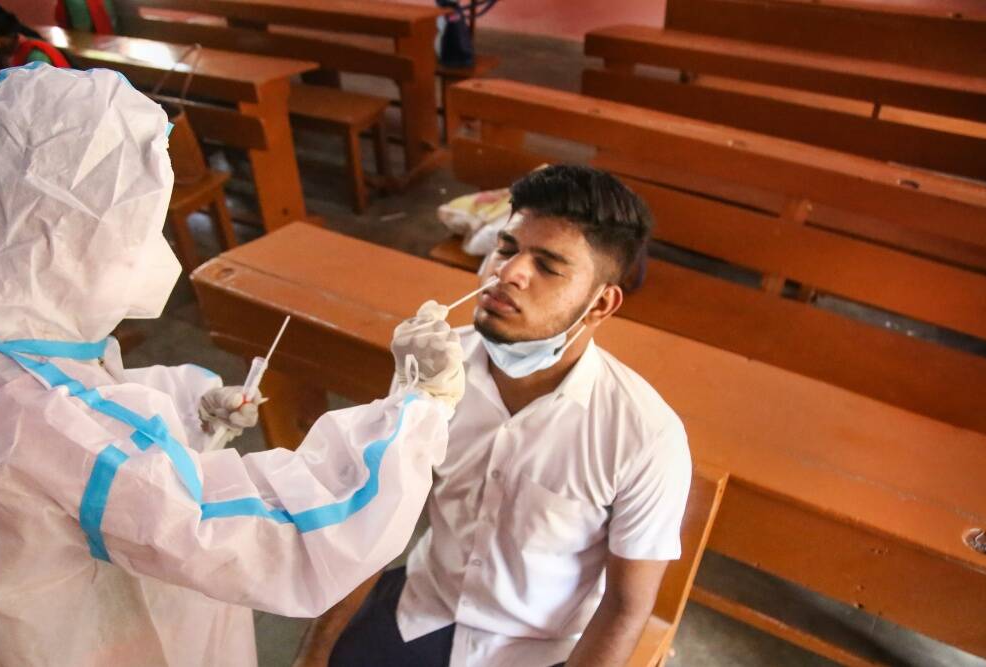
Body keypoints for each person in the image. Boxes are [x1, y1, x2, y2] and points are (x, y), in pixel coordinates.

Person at [0, 63, 466, 666]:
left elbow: (68, 419)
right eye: (135, 229)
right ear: (67, 240)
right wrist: (417, 413)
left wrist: (188, 414)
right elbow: (283, 536)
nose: (149, 249)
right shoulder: (46, 425)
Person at [295, 165, 692, 667]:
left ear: (600, 304)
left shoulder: (645, 436)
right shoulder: (433, 372)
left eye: (547, 265)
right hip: (422, 608)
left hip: (535, 649)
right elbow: (374, 520)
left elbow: (625, 607)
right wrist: (317, 652)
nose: (507, 272)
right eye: (506, 248)